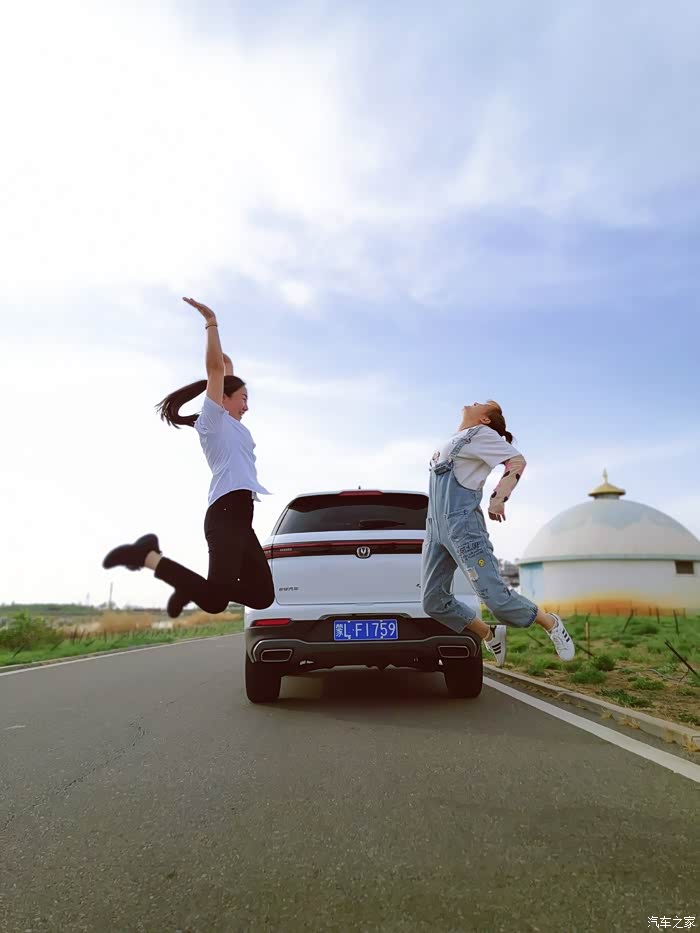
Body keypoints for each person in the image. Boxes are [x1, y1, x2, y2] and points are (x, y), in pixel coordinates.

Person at [103, 298, 274, 619]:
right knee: (215, 601)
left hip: (241, 518)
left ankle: (190, 586)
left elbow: (224, 369)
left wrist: (228, 366)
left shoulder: (232, 425)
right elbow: (216, 370)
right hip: (225, 514)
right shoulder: (212, 422)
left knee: (263, 595)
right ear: (223, 398)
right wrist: (211, 322)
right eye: (243, 398)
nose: (247, 406)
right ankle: (147, 556)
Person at [421, 400, 574, 666]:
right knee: (433, 601)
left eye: (482, 404)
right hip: (435, 529)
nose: (474, 402)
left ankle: (551, 623)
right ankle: (488, 633)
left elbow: (517, 461)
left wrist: (498, 497)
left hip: (463, 528)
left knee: (497, 600)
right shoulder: (451, 441)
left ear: (485, 419)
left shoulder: (481, 434)